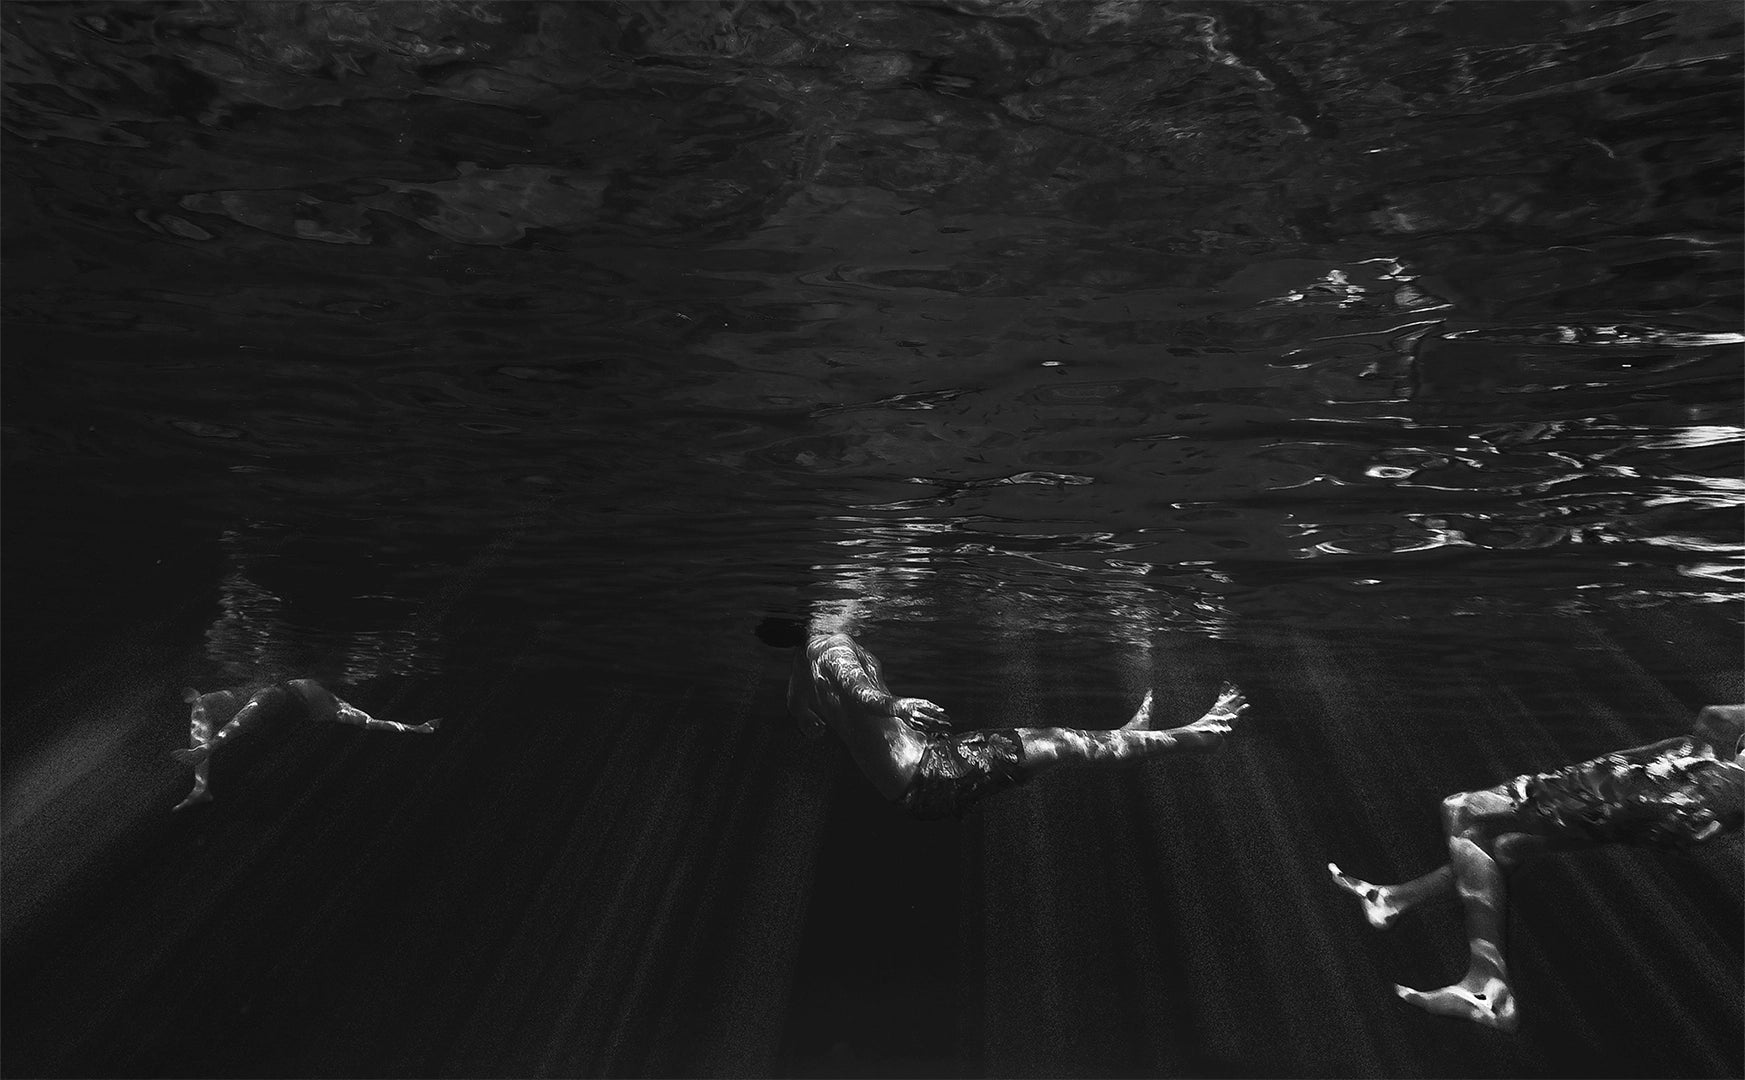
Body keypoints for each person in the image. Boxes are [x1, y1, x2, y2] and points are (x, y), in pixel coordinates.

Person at [1328, 703, 1745, 1033]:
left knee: (1463, 810)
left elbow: (1716, 720)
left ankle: (1487, 986)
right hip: (1687, 813)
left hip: (1673, 783)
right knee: (1509, 845)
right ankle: (1394, 899)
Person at [769, 622, 1248, 820]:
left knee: (1059, 743)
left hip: (920, 776)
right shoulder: (826, 644)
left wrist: (826, 724)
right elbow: (856, 688)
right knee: (1060, 742)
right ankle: (1196, 736)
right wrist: (895, 708)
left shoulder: (800, 670)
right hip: (931, 772)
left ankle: (1122, 739)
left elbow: (804, 717)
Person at [171, 679, 440, 810]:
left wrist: (417, 728)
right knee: (204, 702)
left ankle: (207, 752)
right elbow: (371, 722)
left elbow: (370, 722)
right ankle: (201, 785)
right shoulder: (338, 707)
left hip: (283, 699)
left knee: (253, 707)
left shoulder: (338, 707)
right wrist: (418, 728)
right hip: (274, 699)